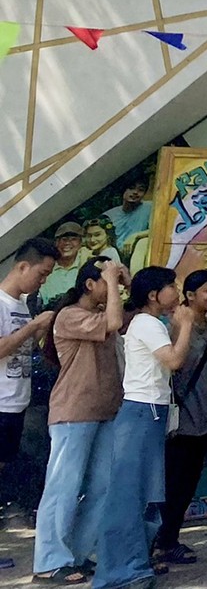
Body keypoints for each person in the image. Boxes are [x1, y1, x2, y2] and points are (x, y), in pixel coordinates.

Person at [93, 267, 195, 589]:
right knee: (129, 495)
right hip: (142, 413)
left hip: (148, 414)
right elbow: (174, 360)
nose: (176, 291)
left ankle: (134, 564)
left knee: (143, 494)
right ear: (154, 295)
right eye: (171, 286)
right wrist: (187, 326)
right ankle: (121, 571)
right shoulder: (149, 323)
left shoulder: (148, 321)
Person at [34, 257, 127, 586]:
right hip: (73, 413)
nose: (112, 287)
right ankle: (48, 560)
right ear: (90, 284)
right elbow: (115, 320)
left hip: (104, 411)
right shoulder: (70, 315)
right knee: (63, 488)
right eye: (104, 281)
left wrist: (118, 276)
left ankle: (74, 554)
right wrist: (114, 280)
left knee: (101, 488)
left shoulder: (97, 315)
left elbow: (119, 314)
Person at [156, 271, 207, 564]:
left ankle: (169, 540)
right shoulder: (173, 327)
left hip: (202, 420)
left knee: (187, 485)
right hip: (176, 421)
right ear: (190, 295)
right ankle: (157, 541)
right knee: (170, 483)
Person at [0, 239, 56, 568]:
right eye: (41, 273)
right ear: (23, 266)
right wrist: (34, 327)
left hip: (15, 402)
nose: (43, 280)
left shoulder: (20, 304)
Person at [106, 189, 152, 260]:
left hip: (138, 253)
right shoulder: (109, 215)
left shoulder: (149, 207)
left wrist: (135, 236)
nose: (135, 192)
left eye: (141, 189)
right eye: (131, 188)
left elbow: (157, 230)